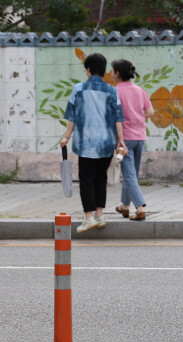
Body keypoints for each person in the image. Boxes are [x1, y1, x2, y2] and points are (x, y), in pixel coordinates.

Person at [60, 53, 127, 233]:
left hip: (86, 143)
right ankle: (100, 215)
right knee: (100, 179)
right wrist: (121, 141)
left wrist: (66, 136)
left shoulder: (78, 89)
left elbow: (72, 116)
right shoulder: (112, 91)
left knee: (86, 180)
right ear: (104, 71)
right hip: (107, 143)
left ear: (88, 70)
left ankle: (89, 217)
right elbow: (118, 119)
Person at [111, 59, 154, 221]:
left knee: (129, 175)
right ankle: (125, 206)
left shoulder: (115, 92)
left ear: (117, 74)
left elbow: (113, 117)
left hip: (125, 139)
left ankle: (140, 207)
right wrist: (138, 118)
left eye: (113, 71)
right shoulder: (139, 90)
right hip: (140, 137)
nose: (112, 74)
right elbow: (150, 112)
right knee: (131, 174)